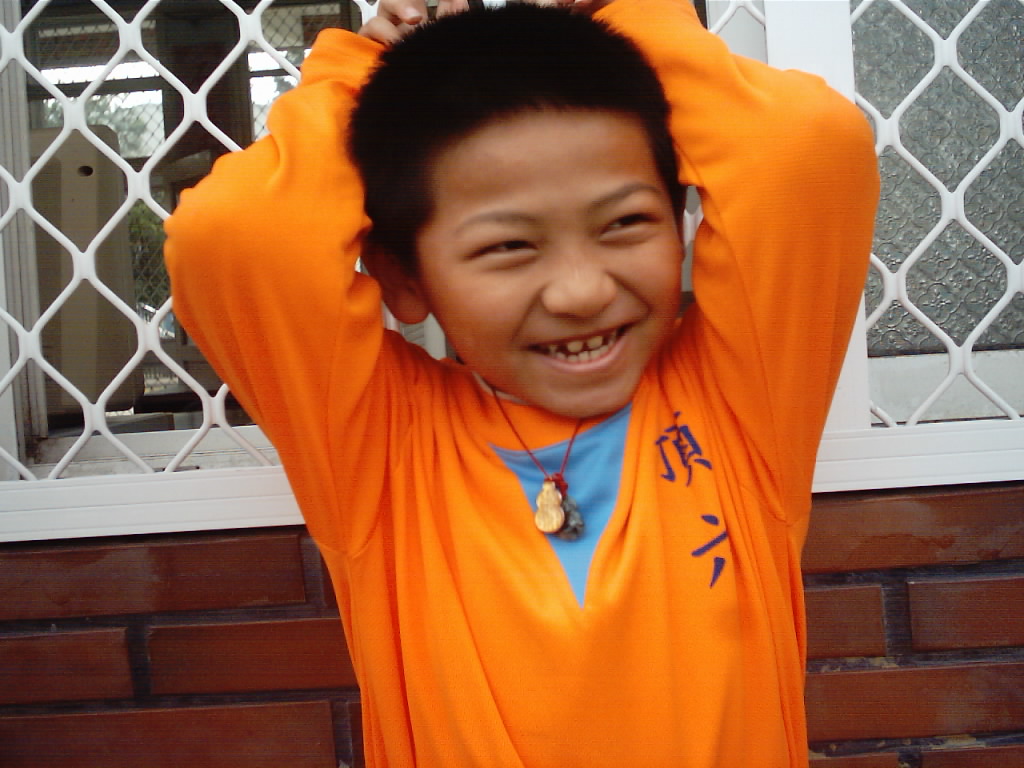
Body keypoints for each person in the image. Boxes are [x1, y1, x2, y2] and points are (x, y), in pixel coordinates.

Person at [164, 0, 878, 764]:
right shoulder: (381, 450)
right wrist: (364, 79)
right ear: (404, 277)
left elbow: (807, 148)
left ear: (681, 226)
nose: (581, 291)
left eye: (625, 223)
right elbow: (231, 236)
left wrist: (617, 17)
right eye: (509, 246)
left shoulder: (740, 399)